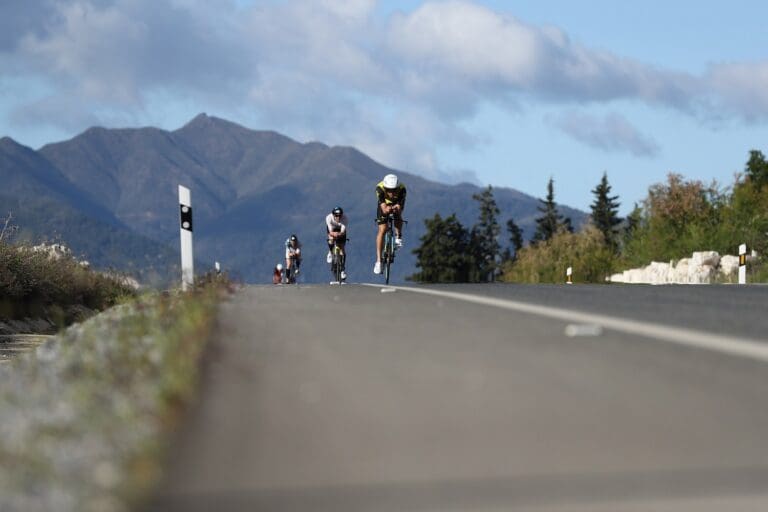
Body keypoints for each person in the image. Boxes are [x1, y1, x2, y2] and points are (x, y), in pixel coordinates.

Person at [374, 173, 406, 274]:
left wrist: (396, 208)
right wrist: (387, 209)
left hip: (397, 202)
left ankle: (398, 236)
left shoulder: (402, 189)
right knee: (382, 229)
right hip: (384, 204)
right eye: (389, 190)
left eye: (393, 190)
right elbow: (383, 208)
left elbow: (400, 207)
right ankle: (379, 261)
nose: (391, 193)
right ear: (385, 187)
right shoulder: (379, 189)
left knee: (398, 214)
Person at [325, 206, 348, 281]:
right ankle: (330, 252)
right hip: (332, 229)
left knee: (342, 248)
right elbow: (330, 230)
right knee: (331, 239)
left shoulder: (345, 218)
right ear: (333, 215)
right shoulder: (329, 218)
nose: (338, 217)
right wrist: (333, 234)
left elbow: (343, 231)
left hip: (341, 230)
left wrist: (339, 234)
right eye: (336, 215)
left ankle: (343, 269)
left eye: (340, 215)